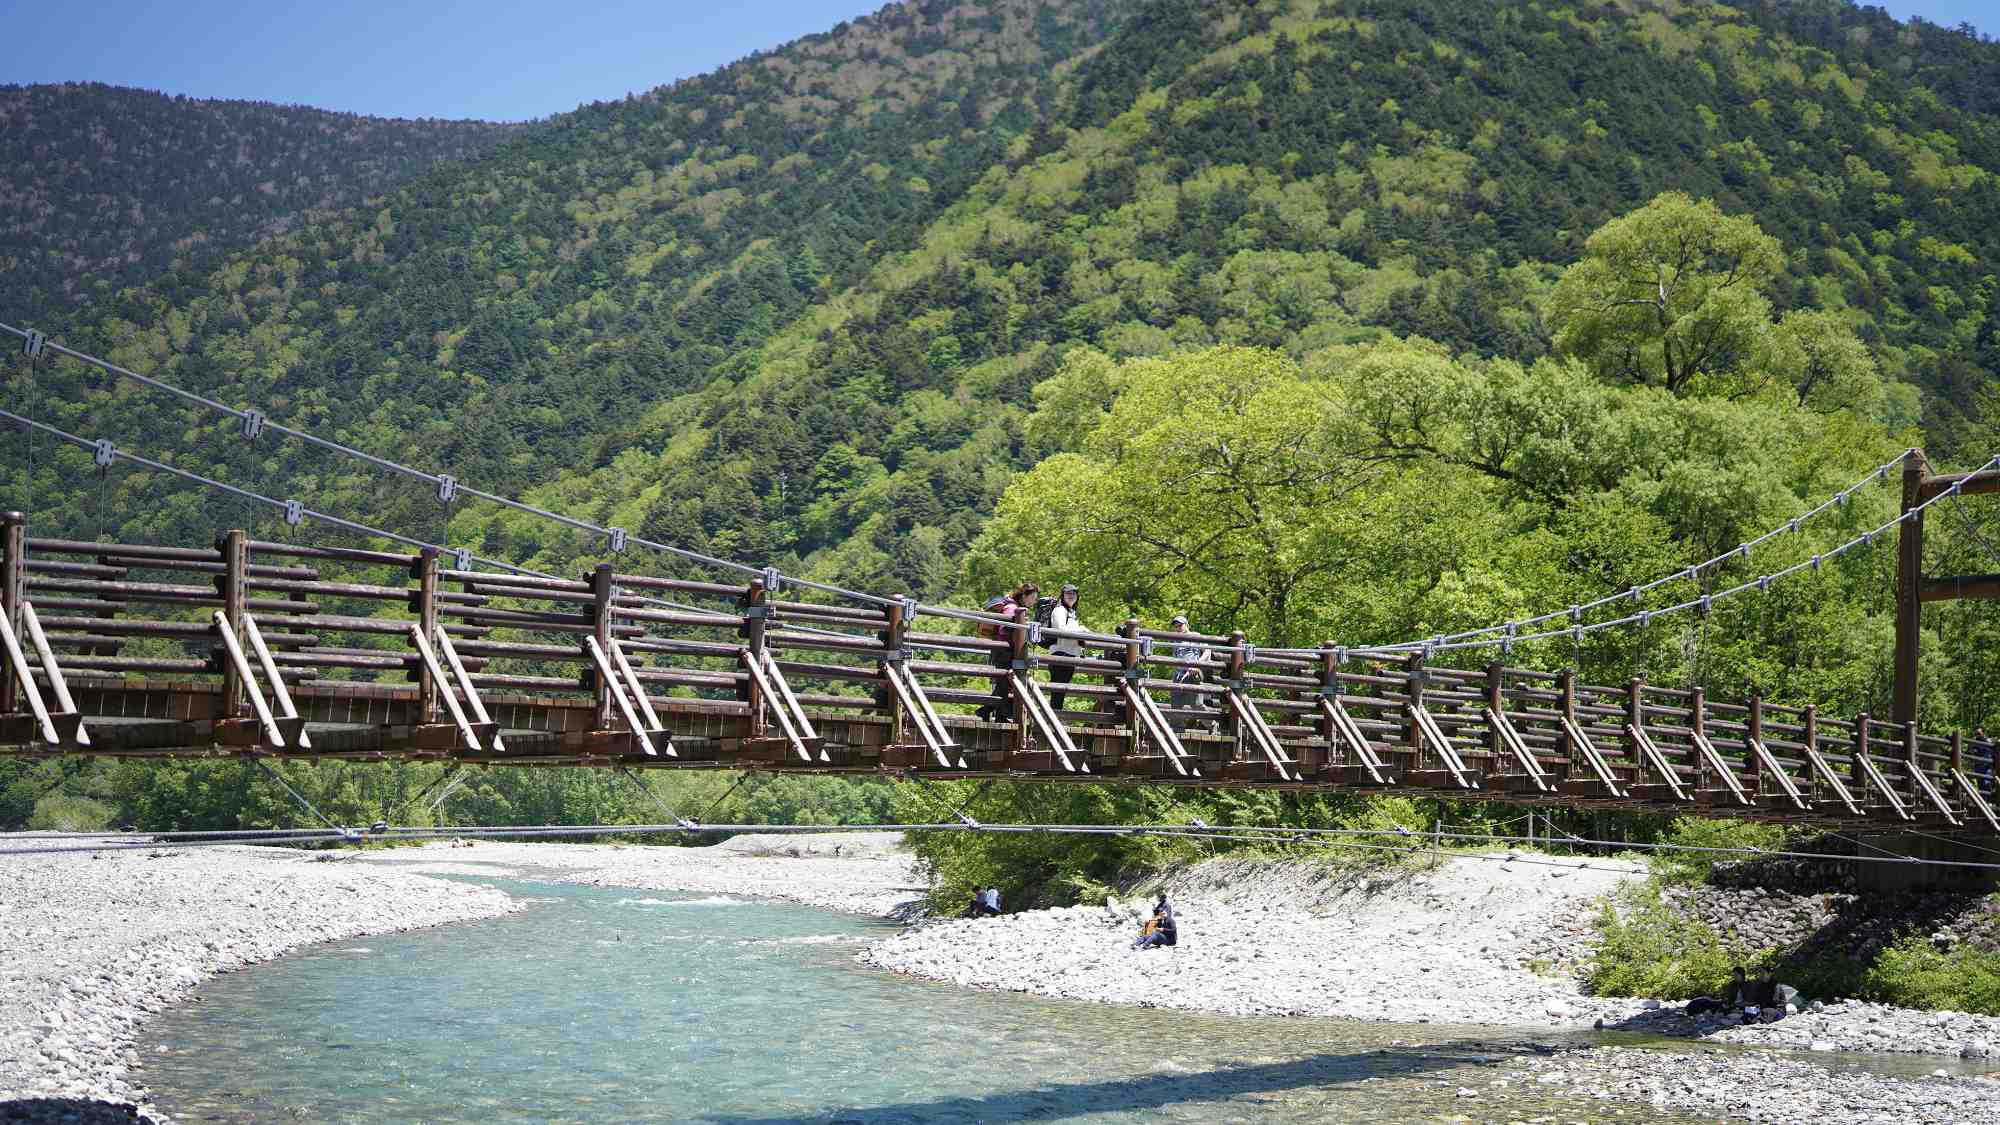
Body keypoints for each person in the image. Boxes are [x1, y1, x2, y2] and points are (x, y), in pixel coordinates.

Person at [976, 582, 1038, 721]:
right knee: (1005, 684)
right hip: (1004, 651)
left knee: (1005, 684)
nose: (1034, 601)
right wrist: (1022, 626)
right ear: (1024, 596)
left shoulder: (1014, 607)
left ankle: (996, 714)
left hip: (1006, 651)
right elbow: (1004, 629)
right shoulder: (1012, 607)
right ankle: (988, 711)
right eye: (1033, 597)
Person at [1167, 614, 1212, 731]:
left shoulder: (1195, 636)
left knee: (1196, 704)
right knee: (1175, 702)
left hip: (1193, 673)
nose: (1178, 628)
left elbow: (1207, 651)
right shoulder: (1174, 639)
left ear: (1187, 625)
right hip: (1178, 674)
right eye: (1176, 626)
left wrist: (1198, 664)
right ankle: (1177, 728)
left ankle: (1211, 724)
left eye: (1180, 625)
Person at [1046, 584, 1083, 713]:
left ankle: (1055, 716)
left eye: (1074, 594)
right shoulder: (1059, 610)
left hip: (1070, 654)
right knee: (1058, 690)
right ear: (1062, 596)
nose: (1071, 596)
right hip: (1060, 653)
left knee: (1061, 690)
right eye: (1068, 594)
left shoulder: (1072, 613)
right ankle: (1053, 718)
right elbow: (1060, 629)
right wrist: (1080, 633)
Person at [1974, 727, 1995, 798]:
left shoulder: (1988, 742)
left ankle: (1989, 803)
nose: (1977, 735)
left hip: (1986, 768)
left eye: (1978, 733)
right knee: (1980, 786)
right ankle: (1983, 802)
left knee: (1987, 785)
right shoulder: (1974, 743)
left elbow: (1992, 754)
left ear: (1983, 733)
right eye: (1975, 734)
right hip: (1978, 768)